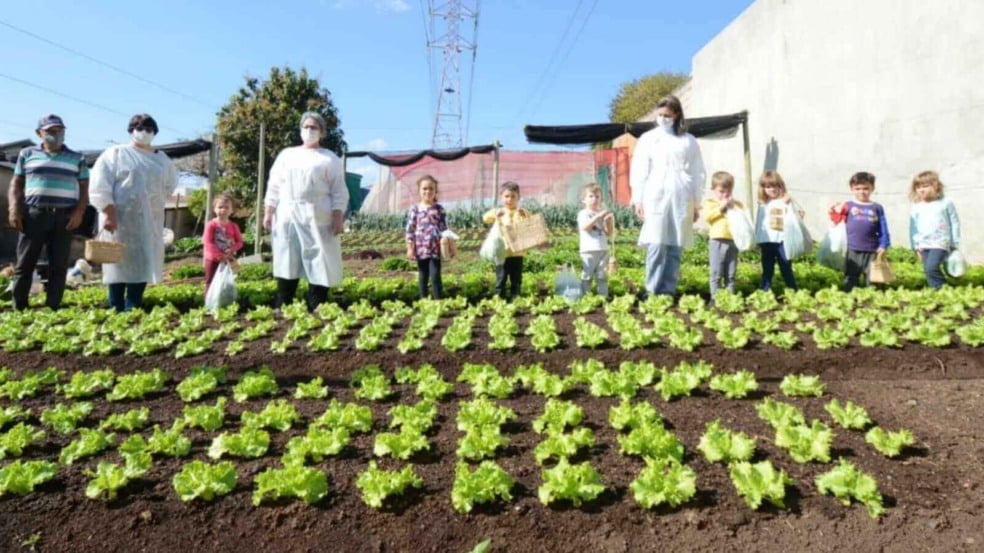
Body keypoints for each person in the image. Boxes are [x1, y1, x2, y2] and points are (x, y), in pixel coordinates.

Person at [89, 113, 177, 311]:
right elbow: (100, 186)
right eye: (140, 128)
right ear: (131, 131)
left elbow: (169, 185)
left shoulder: (162, 160)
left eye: (149, 129)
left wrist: (152, 203)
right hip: (120, 219)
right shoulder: (116, 154)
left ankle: (132, 306)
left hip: (149, 220)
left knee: (143, 260)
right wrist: (108, 213)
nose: (144, 132)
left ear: (154, 133)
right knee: (117, 260)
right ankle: (116, 306)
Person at [263, 112, 348, 311]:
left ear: (322, 132)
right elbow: (274, 186)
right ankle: (283, 303)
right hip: (288, 215)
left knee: (319, 260)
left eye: (314, 127)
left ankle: (317, 305)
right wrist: (268, 211)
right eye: (306, 127)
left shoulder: (329, 158)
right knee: (287, 258)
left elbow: (339, 191)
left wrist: (338, 216)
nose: (309, 130)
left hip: (318, 216)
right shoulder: (287, 155)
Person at [6, 114, 90, 310]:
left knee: (58, 265)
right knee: (25, 263)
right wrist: (14, 209)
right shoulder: (27, 154)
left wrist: (79, 212)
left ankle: (53, 307)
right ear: (39, 133)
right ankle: (19, 307)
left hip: (64, 217)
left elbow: (84, 188)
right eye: (51, 131)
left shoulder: (77, 158)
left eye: (60, 131)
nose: (56, 135)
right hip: (34, 215)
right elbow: (16, 184)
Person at [630, 95, 706, 298]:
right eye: (660, 114)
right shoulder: (649, 138)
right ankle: (651, 289)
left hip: (681, 195)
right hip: (655, 194)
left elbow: (698, 172)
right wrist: (638, 199)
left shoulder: (688, 141)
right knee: (656, 243)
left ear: (677, 114)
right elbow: (639, 170)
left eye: (667, 115)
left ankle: (667, 290)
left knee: (675, 245)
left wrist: (697, 203)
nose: (663, 119)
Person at [828, 171, 890, 291]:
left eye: (866, 188)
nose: (862, 192)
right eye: (857, 188)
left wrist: (884, 244)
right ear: (852, 189)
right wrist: (833, 211)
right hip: (852, 248)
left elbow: (883, 227)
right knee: (851, 277)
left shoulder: (877, 207)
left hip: (872, 249)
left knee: (873, 279)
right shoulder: (848, 206)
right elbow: (837, 220)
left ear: (872, 188)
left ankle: (872, 298)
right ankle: (849, 298)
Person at [909, 170, 960, 289]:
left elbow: (954, 222)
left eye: (925, 186)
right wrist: (915, 246)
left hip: (940, 242)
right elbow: (913, 228)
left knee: (931, 268)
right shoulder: (916, 207)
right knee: (928, 270)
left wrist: (954, 243)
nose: (921, 190)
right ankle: (938, 290)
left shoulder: (945, 203)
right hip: (924, 244)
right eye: (918, 187)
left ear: (936, 186)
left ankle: (941, 290)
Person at [482, 181, 529, 300]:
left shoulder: (521, 212)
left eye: (513, 196)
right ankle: (499, 295)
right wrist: (495, 214)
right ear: (501, 197)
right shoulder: (500, 211)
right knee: (501, 276)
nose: (510, 199)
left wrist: (525, 214)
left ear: (518, 197)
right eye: (506, 196)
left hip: (518, 252)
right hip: (502, 252)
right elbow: (485, 218)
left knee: (516, 277)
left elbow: (530, 222)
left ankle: (515, 295)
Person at [753, 170, 799, 291]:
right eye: (768, 187)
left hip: (782, 241)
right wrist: (757, 239)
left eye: (775, 186)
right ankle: (765, 290)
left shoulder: (785, 201)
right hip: (767, 241)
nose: (772, 189)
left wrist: (786, 202)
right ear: (763, 188)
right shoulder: (763, 204)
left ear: (780, 186)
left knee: (786, 267)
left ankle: (793, 289)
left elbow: (792, 219)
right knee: (767, 268)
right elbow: (760, 222)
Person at [405, 174, 448, 299]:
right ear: (419, 191)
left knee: (435, 276)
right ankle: (424, 300)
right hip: (421, 249)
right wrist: (410, 248)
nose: (428, 191)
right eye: (424, 189)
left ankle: (438, 300)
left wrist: (450, 245)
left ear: (435, 191)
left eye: (431, 189)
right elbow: (410, 230)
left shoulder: (439, 209)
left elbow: (444, 229)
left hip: (435, 249)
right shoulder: (415, 209)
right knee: (423, 275)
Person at [701, 171, 743, 298]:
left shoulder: (737, 204)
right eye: (721, 191)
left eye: (728, 191)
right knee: (716, 271)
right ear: (713, 189)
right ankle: (715, 297)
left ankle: (730, 297)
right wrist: (721, 207)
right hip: (717, 240)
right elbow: (707, 217)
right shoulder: (710, 203)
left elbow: (743, 218)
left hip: (733, 241)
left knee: (730, 272)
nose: (725, 194)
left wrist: (733, 207)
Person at [577, 183, 614, 297]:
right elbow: (585, 228)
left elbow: (609, 233)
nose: (595, 199)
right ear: (584, 200)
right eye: (591, 196)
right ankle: (585, 296)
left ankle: (603, 296)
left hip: (602, 249)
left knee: (602, 275)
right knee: (587, 275)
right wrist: (597, 217)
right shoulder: (583, 213)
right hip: (588, 250)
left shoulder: (601, 213)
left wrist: (608, 221)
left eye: (597, 197)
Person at [203, 193, 244, 294]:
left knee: (227, 282)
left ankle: (225, 300)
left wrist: (232, 249)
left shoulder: (234, 226)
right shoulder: (211, 225)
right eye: (220, 207)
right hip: (212, 260)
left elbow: (240, 242)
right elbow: (207, 242)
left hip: (228, 259)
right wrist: (219, 255)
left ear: (232, 210)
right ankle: (209, 301)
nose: (223, 210)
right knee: (210, 281)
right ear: (214, 209)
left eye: (227, 207)